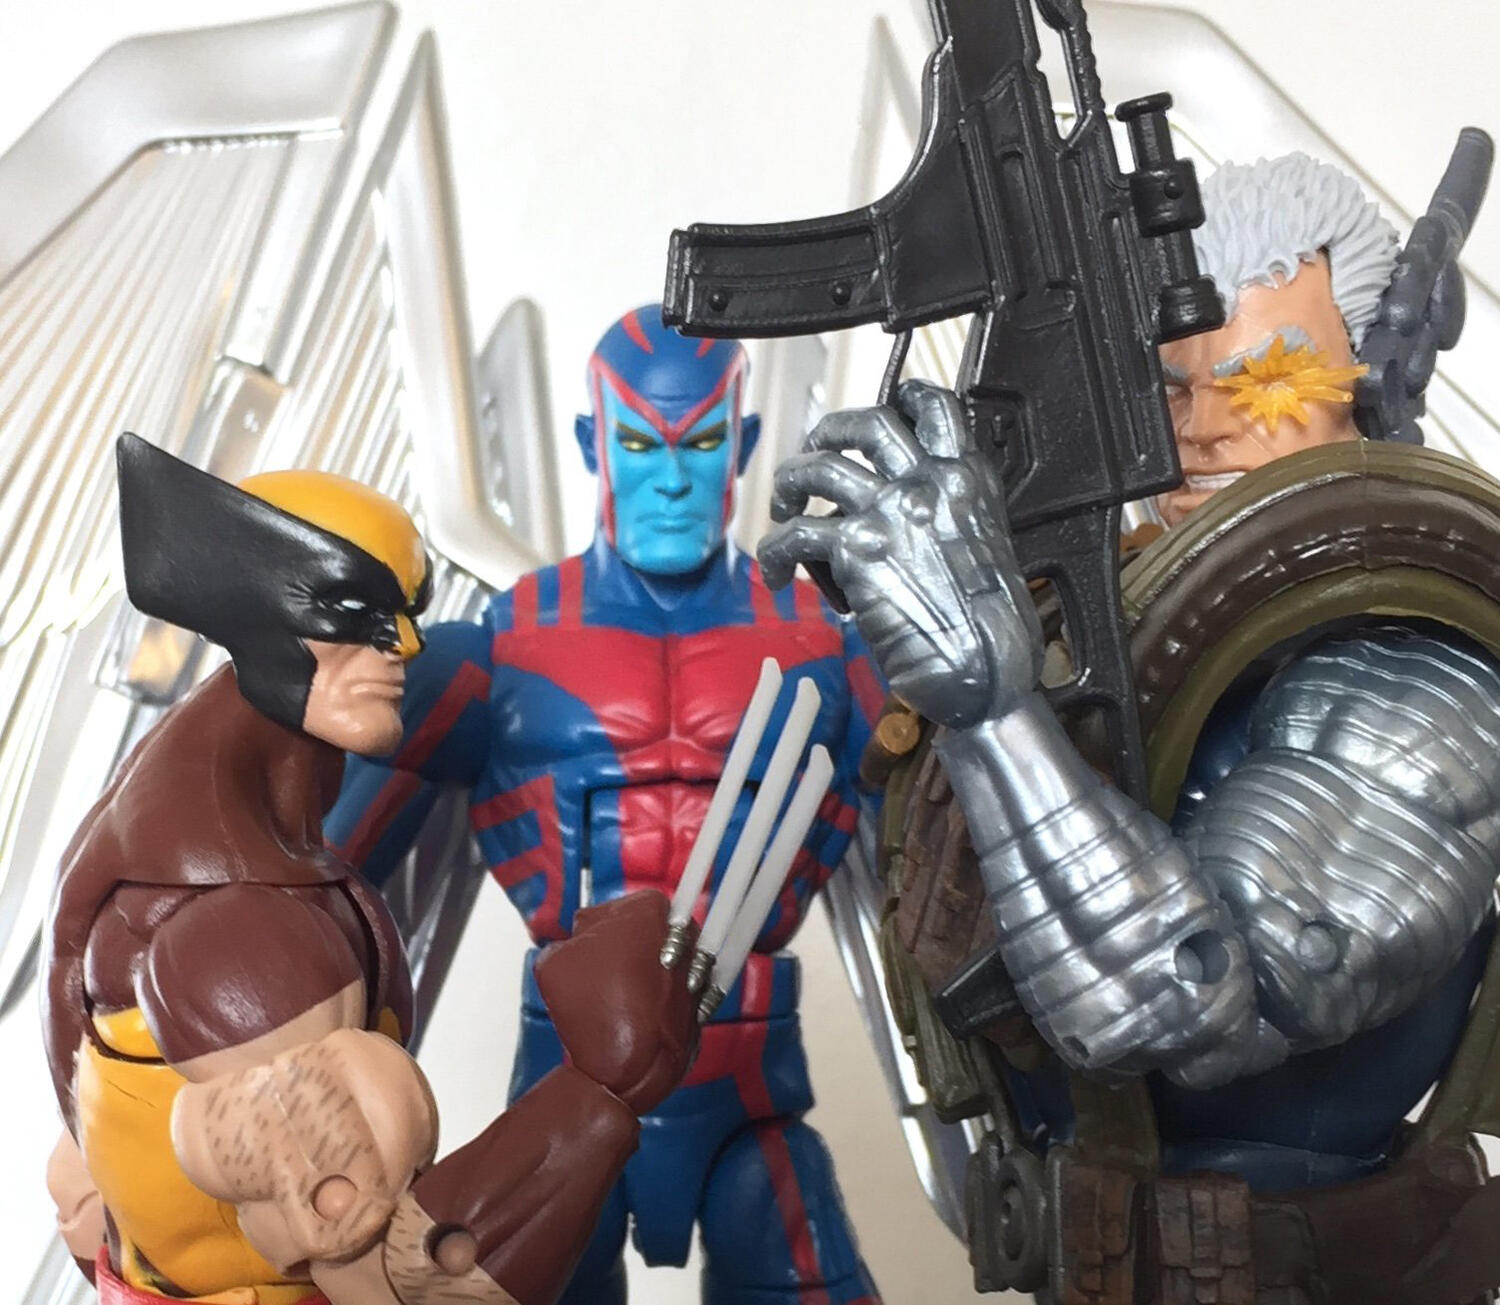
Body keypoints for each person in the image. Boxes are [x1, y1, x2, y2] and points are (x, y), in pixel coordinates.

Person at [759, 151, 1500, 1303]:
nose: (1204, 431)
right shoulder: (1127, 611)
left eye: (1266, 380)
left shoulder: (1418, 673)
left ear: (1372, 376)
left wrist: (993, 709)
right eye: (1167, 387)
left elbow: (1191, 1003)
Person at [44, 435, 701, 1305]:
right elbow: (399, 1283)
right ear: (254, 616)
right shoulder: (232, 922)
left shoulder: (168, 839)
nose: (404, 642)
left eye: (406, 609)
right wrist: (597, 1090)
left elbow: (94, 1180)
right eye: (353, 611)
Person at [329, 306, 883, 1305]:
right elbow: (320, 874)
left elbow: (964, 842)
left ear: (743, 445)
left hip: (751, 1079)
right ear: (595, 443)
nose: (670, 478)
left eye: (700, 443)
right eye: (639, 444)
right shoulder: (499, 648)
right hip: (563, 1082)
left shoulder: (826, 644)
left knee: (797, 1264)